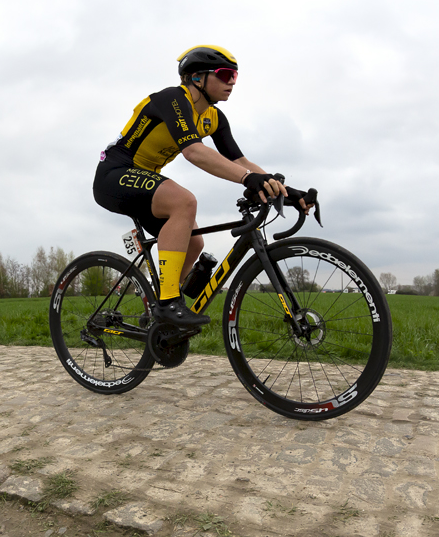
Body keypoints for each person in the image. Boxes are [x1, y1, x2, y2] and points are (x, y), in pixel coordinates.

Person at [93, 45, 306, 328]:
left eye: (235, 76)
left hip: (144, 181)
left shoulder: (213, 118)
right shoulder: (172, 99)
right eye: (225, 74)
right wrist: (246, 178)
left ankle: (159, 312)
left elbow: (240, 160)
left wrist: (285, 190)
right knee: (184, 201)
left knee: (195, 242)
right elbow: (193, 152)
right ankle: (169, 304)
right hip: (115, 174)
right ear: (196, 78)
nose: (232, 82)